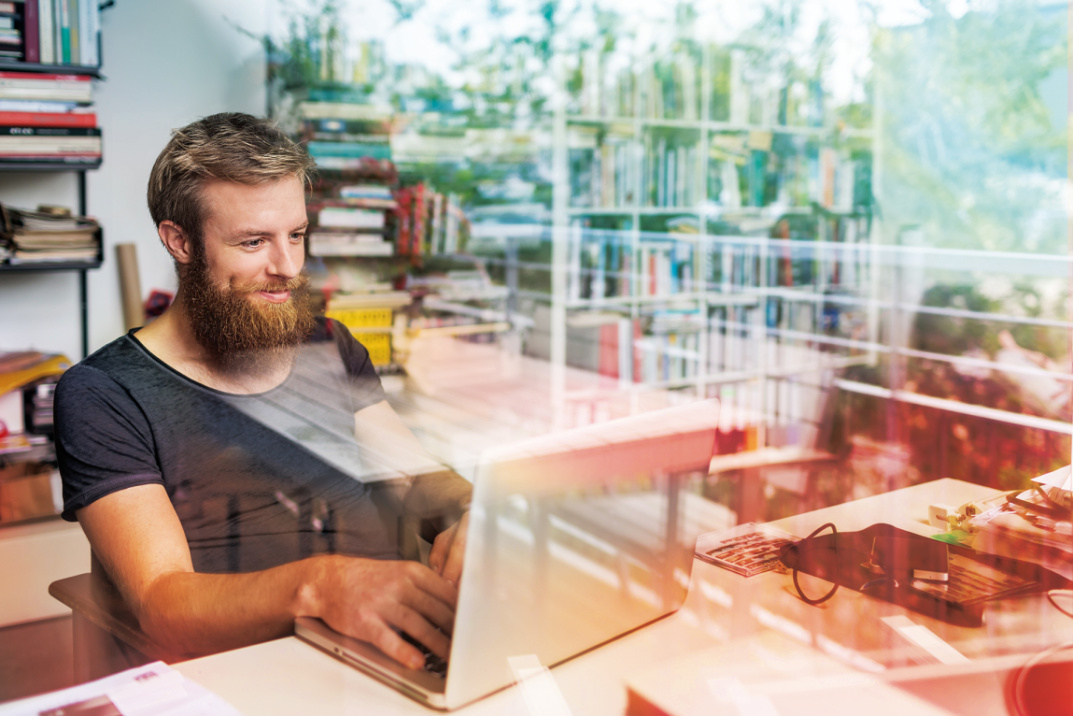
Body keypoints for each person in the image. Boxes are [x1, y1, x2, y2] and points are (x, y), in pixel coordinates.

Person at [53, 112, 470, 671]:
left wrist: (469, 511)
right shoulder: (104, 393)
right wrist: (319, 587)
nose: (288, 267)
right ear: (179, 241)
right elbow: (162, 602)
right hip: (246, 672)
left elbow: (414, 478)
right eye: (253, 242)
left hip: (392, 654)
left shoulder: (328, 344)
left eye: (296, 235)